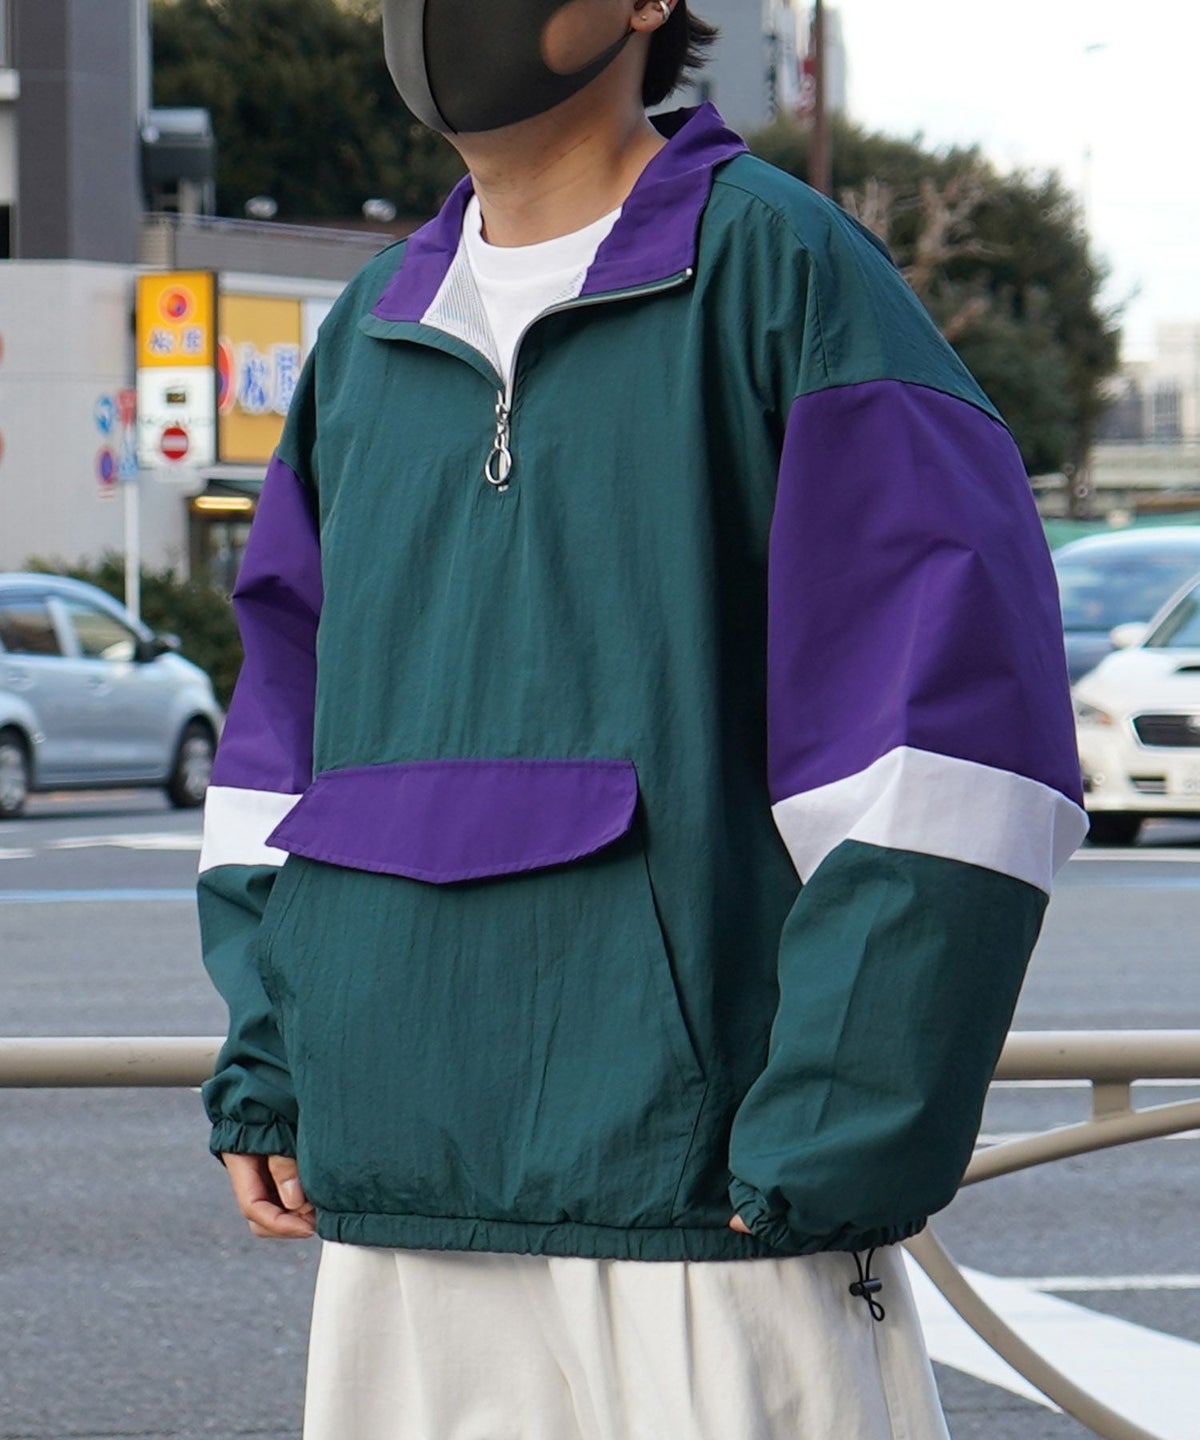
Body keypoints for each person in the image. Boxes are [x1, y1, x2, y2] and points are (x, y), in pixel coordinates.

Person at [198, 3, 1087, 1436]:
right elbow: (277, 753)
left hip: (707, 1218)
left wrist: (835, 1134)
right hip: (396, 1207)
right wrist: (271, 1064)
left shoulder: (787, 276)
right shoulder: (369, 332)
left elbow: (948, 749)